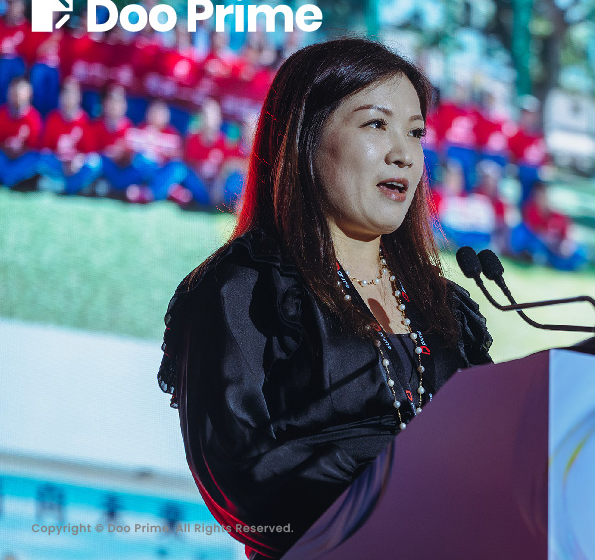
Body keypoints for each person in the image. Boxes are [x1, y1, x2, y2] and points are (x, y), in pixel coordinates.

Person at [158, 37, 493, 560]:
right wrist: (393, 503)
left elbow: (497, 451)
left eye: (415, 132)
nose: (404, 154)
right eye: (376, 125)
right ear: (304, 138)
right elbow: (241, 479)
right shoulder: (245, 291)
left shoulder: (443, 306)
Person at [0, 76, 48, 188]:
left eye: (19, 93)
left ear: (29, 94)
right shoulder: (2, 113)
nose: (16, 96)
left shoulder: (34, 117)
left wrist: (20, 149)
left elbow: (36, 148)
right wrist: (7, 146)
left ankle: (3, 178)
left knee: (38, 160)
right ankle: (7, 178)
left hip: (22, 159)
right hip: (3, 157)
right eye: (13, 92)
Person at [35, 77, 100, 195]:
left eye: (73, 93)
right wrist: (62, 161)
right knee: (40, 159)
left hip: (76, 166)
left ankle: (61, 186)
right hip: (58, 164)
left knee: (95, 163)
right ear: (60, 97)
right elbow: (45, 150)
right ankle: (74, 187)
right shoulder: (53, 118)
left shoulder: (84, 120)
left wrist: (77, 161)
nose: (69, 97)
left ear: (79, 97)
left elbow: (90, 153)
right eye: (66, 93)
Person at [509, 180, 587, 271]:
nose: (540, 199)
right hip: (541, 245)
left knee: (578, 253)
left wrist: (565, 244)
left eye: (543, 195)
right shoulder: (531, 211)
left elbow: (568, 233)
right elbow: (535, 232)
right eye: (538, 196)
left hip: (557, 246)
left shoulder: (558, 214)